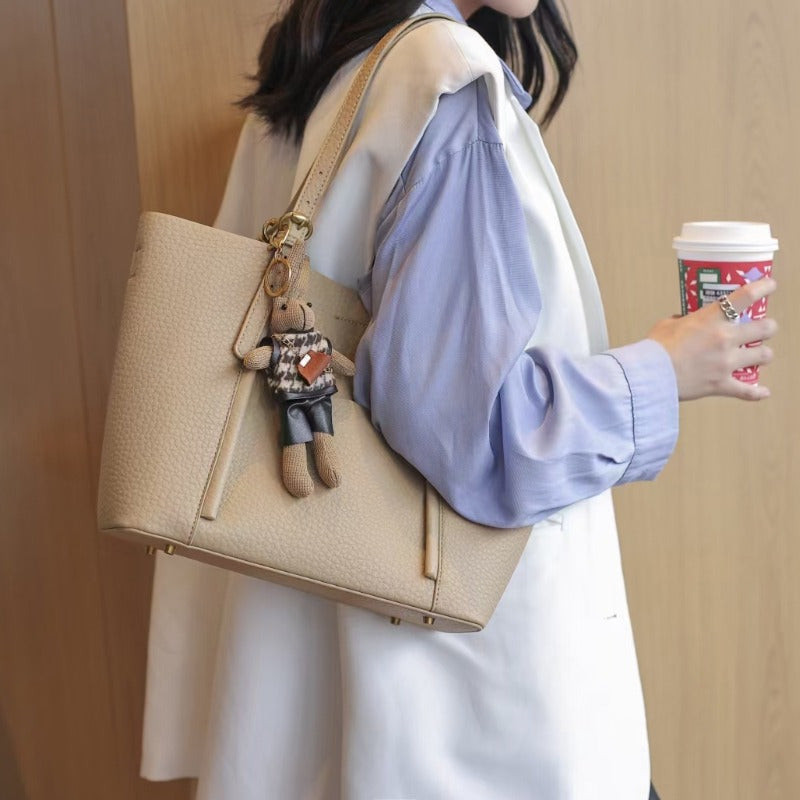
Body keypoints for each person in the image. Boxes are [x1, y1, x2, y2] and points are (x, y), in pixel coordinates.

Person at [139, 1, 778, 798]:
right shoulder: (442, 87)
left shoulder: (315, 77)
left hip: (331, 690)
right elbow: (472, 432)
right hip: (473, 712)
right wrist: (664, 370)